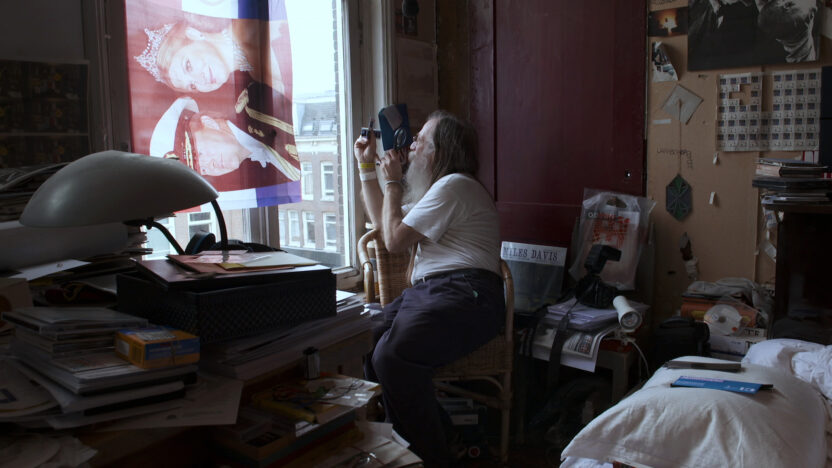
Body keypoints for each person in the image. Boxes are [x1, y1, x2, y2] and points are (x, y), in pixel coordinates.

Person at [354, 111, 504, 467]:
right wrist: (367, 168)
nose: (411, 146)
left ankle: (430, 456)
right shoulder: (438, 191)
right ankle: (438, 440)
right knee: (365, 341)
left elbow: (394, 241)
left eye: (420, 140)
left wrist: (393, 182)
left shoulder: (455, 185)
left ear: (439, 152)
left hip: (469, 293)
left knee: (391, 356)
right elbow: (385, 227)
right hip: (435, 292)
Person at [149, 96, 299, 182]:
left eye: (200, 154)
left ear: (209, 123)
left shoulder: (257, 106)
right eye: (203, 170)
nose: (211, 166)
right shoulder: (262, 172)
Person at [134, 16, 291, 96]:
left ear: (193, 34)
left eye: (188, 66)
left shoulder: (251, 23)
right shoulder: (257, 80)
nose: (200, 81)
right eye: (192, 86)